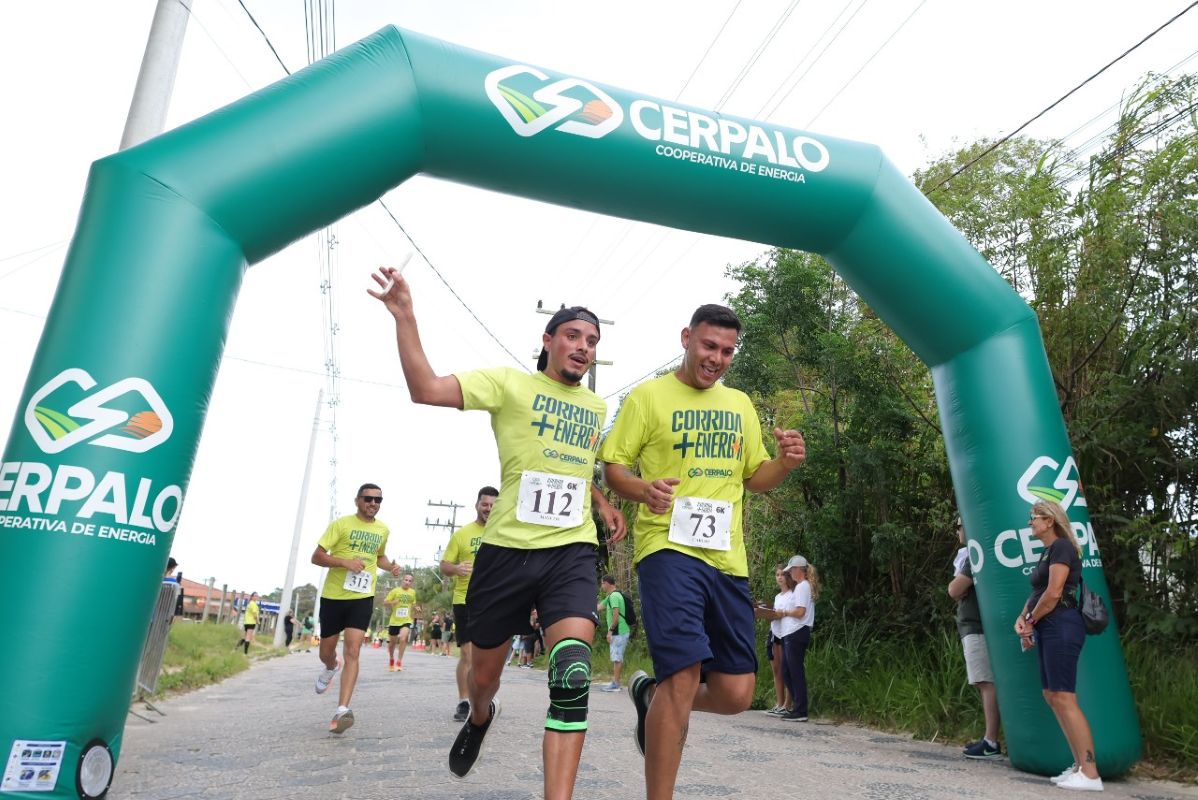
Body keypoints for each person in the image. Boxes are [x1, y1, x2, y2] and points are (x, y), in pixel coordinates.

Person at [370, 267, 625, 798]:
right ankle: (481, 715)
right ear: (548, 340)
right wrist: (405, 317)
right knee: (483, 677)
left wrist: (601, 502)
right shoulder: (510, 384)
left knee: (573, 671)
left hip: (571, 550)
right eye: (574, 336)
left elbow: (576, 467)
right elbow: (425, 389)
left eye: (592, 341)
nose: (584, 347)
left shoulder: (596, 407)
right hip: (506, 552)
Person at [598, 303, 806, 800]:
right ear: (686, 338)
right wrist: (644, 490)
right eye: (709, 346)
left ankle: (651, 694)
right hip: (667, 549)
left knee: (736, 693)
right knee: (683, 675)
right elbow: (614, 468)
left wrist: (784, 462)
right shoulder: (648, 397)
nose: (717, 358)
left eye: (727, 351)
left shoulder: (739, 404)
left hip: (726, 559)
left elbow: (755, 478)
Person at [1013, 499, 1103, 791]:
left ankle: (1090, 773)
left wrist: (1031, 620)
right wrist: (1023, 618)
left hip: (1062, 625)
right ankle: (1078, 766)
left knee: (1064, 697)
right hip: (1049, 626)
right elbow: (1039, 592)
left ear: (1049, 520)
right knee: (1052, 695)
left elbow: (1053, 594)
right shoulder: (1048, 552)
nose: (1030, 522)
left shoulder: (1062, 547)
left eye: (1034, 517)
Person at [310, 483, 402, 734]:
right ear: (357, 500)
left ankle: (342, 710)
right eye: (368, 498)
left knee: (353, 650)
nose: (373, 503)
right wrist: (344, 562)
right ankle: (331, 666)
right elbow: (316, 556)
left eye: (378, 500)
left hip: (362, 597)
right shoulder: (341, 524)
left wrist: (390, 567)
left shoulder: (383, 529)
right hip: (334, 596)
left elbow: (379, 556)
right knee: (326, 652)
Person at [441, 486, 498, 721]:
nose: (489, 509)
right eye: (485, 504)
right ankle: (464, 701)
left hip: (494, 601)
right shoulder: (462, 534)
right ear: (477, 505)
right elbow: (444, 566)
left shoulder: (504, 533)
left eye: (493, 505)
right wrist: (456, 568)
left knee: (489, 657)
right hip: (465, 600)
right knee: (467, 654)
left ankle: (483, 699)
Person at [948, 517, 1002, 759]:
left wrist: (957, 587)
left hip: (976, 625)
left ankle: (991, 741)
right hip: (974, 625)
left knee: (985, 682)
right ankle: (990, 738)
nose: (957, 530)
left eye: (959, 526)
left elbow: (954, 589)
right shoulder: (971, 554)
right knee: (984, 682)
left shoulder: (976, 555)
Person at [778, 555, 817, 722]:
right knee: (787, 671)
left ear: (798, 570)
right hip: (793, 633)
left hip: (797, 632)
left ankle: (801, 710)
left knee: (794, 671)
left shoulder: (802, 586)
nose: (790, 573)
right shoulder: (802, 586)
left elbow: (800, 612)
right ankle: (798, 706)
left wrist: (785, 612)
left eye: (791, 570)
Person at [753, 565, 795, 716]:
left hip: (786, 634)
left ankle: (788, 705)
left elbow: (793, 614)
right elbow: (774, 614)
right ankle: (779, 703)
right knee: (776, 669)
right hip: (774, 633)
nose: (780, 577)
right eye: (777, 575)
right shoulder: (778, 597)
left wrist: (780, 614)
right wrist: (765, 612)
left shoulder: (792, 595)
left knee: (786, 670)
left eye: (782, 574)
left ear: (788, 576)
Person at [597, 575, 631, 692]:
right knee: (617, 657)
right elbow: (598, 607)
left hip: (619, 631)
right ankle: (615, 682)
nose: (601, 586)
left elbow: (615, 616)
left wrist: (610, 631)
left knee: (617, 658)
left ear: (607, 583)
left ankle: (616, 684)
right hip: (619, 631)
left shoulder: (614, 596)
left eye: (602, 584)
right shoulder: (612, 596)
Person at [383, 574, 418, 672]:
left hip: (406, 620)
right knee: (392, 643)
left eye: (410, 581)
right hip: (394, 621)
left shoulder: (412, 592)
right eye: (406, 580)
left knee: (403, 638)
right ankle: (391, 659)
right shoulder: (395, 591)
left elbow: (413, 603)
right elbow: (385, 602)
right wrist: (392, 602)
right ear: (402, 580)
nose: (407, 582)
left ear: (411, 583)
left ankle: (399, 661)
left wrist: (416, 607)